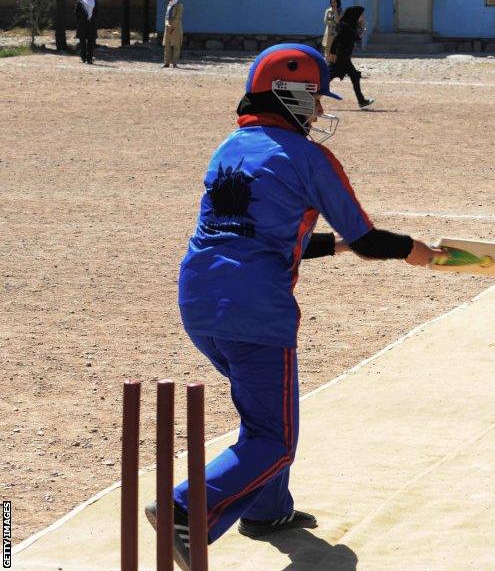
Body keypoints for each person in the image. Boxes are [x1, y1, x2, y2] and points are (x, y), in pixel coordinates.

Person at [146, 43, 446, 567]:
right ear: (289, 95)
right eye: (315, 99)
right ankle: (182, 509)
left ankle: (267, 510)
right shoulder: (309, 157)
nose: (322, 111)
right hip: (257, 311)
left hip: (199, 302)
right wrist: (414, 251)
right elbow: (372, 238)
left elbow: (256, 235)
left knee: (263, 413)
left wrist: (336, 245)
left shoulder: (231, 148)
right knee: (274, 438)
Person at [328, 6, 375, 109]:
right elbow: (336, 39)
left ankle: (361, 100)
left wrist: (362, 29)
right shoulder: (345, 26)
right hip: (341, 57)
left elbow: (356, 38)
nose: (362, 16)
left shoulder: (350, 25)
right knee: (329, 76)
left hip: (345, 57)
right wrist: (332, 53)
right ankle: (312, 94)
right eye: (360, 14)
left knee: (331, 76)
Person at [74, 0, 97, 65]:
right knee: (82, 41)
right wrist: (82, 19)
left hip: (91, 25)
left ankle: (89, 58)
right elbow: (76, 12)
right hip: (82, 25)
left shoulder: (95, 1)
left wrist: (93, 20)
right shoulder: (81, 1)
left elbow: (97, 12)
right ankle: (83, 57)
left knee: (91, 41)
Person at [163, 0, 183, 68]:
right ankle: (166, 62)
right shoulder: (169, 5)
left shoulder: (179, 5)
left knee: (176, 45)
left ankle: (174, 63)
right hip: (168, 27)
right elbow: (166, 16)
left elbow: (178, 17)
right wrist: (167, 24)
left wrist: (172, 26)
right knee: (167, 45)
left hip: (176, 28)